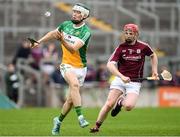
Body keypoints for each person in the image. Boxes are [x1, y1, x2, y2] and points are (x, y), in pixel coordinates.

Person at [30, 3, 91, 135]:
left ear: (84, 16)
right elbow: (53, 33)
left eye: (78, 12)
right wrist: (39, 41)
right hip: (66, 65)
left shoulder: (86, 32)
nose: (74, 14)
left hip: (81, 68)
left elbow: (73, 49)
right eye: (74, 11)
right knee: (74, 84)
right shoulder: (65, 25)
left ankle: (58, 121)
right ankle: (80, 117)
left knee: (70, 100)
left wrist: (62, 40)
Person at [90, 23, 158, 133]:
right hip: (120, 79)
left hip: (135, 82)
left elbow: (153, 55)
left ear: (136, 35)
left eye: (130, 33)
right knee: (109, 104)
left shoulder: (144, 47)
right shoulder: (120, 48)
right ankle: (97, 126)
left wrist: (154, 71)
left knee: (129, 106)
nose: (128, 35)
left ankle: (121, 102)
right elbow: (110, 64)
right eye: (126, 33)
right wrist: (121, 76)